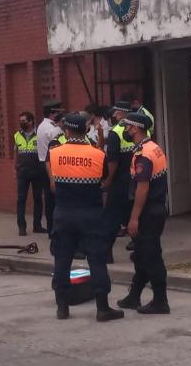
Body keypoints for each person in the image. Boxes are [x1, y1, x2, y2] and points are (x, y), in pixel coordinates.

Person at [46, 112, 125, 322]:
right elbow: (104, 179)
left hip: (63, 213)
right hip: (91, 213)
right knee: (97, 259)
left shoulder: (55, 153)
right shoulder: (98, 154)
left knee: (62, 259)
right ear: (84, 130)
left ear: (67, 130)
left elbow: (53, 184)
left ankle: (62, 307)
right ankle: (102, 308)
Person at [117, 112, 170, 315]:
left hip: (148, 212)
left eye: (128, 127)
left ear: (136, 128)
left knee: (152, 256)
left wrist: (134, 217)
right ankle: (134, 295)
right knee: (141, 255)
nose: (126, 130)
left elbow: (142, 188)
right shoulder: (153, 148)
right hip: (155, 210)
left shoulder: (144, 155)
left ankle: (160, 301)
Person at [103, 101, 135, 262]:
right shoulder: (140, 128)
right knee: (135, 215)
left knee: (112, 217)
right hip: (136, 179)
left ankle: (107, 252)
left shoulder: (115, 132)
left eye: (116, 112)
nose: (114, 115)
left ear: (122, 113)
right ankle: (138, 250)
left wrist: (108, 179)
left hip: (120, 181)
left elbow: (112, 160)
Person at [14, 111, 47, 237]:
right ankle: (21, 227)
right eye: (20, 121)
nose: (21, 123)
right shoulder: (17, 135)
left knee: (38, 199)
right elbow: (16, 152)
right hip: (22, 172)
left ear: (31, 121)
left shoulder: (39, 135)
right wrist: (14, 169)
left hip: (37, 171)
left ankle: (37, 225)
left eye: (24, 121)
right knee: (21, 199)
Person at [36, 100, 64, 235]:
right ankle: (56, 229)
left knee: (48, 198)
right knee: (56, 198)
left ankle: (50, 228)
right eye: (59, 112)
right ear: (53, 113)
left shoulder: (41, 126)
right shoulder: (54, 129)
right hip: (51, 165)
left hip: (42, 163)